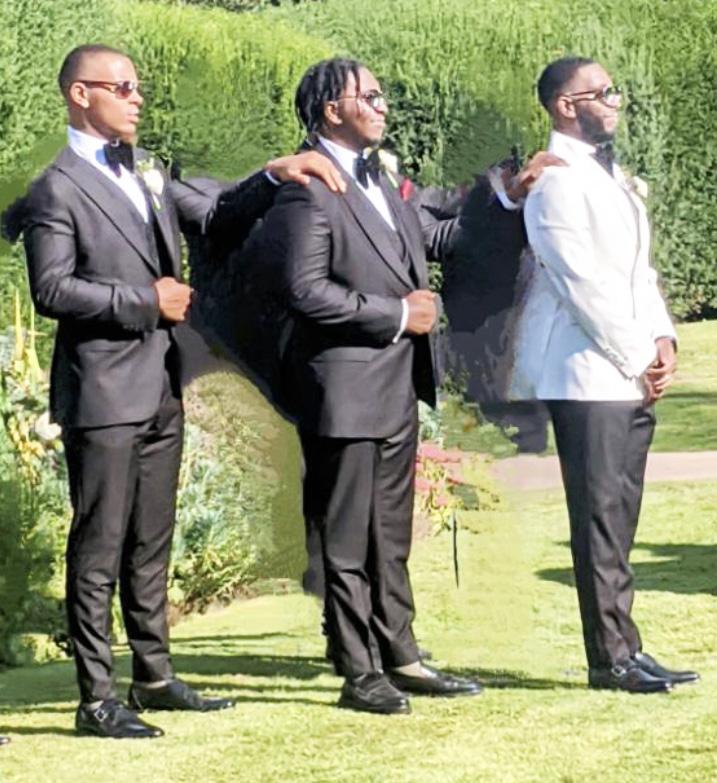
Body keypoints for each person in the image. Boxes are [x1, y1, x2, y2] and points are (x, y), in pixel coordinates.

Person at [14, 43, 344, 739]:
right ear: (80, 94)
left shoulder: (147, 171)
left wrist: (273, 174)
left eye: (138, 87)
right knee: (100, 543)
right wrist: (146, 301)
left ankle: (155, 676)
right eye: (122, 87)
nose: (136, 98)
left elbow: (216, 217)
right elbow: (51, 289)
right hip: (103, 391)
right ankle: (96, 698)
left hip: (162, 384)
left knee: (151, 540)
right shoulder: (56, 188)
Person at [254, 57, 484, 715]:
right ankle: (359, 671)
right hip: (345, 391)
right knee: (346, 537)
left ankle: (401, 654)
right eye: (371, 96)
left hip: (395, 386)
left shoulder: (379, 178)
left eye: (382, 96)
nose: (383, 107)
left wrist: (505, 211)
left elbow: (424, 241)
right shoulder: (308, 188)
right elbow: (304, 291)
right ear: (332, 110)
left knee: (391, 533)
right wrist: (397, 315)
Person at [514, 56, 699, 693]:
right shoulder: (555, 182)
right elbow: (581, 284)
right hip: (588, 374)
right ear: (566, 105)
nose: (616, 101)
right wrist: (635, 354)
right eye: (604, 92)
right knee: (598, 517)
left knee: (621, 515)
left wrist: (662, 336)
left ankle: (629, 644)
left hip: (629, 371)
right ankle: (608, 659)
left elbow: (637, 271)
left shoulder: (607, 175)